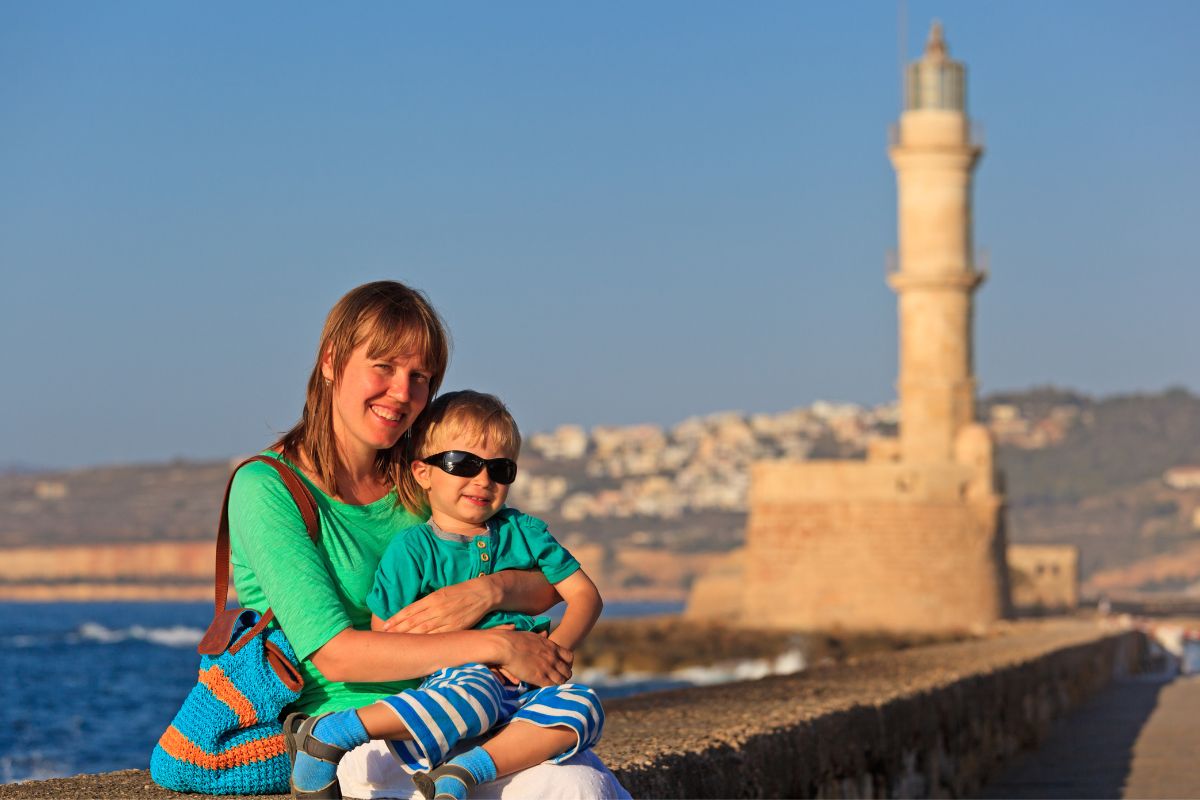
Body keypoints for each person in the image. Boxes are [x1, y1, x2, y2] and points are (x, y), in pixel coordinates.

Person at [228, 281, 628, 800]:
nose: (402, 392)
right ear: (330, 361)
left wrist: (492, 591)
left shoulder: (424, 480)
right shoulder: (269, 489)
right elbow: (335, 656)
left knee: (580, 786)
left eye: (420, 377)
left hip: (479, 712)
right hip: (370, 735)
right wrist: (498, 644)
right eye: (385, 367)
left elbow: (550, 588)